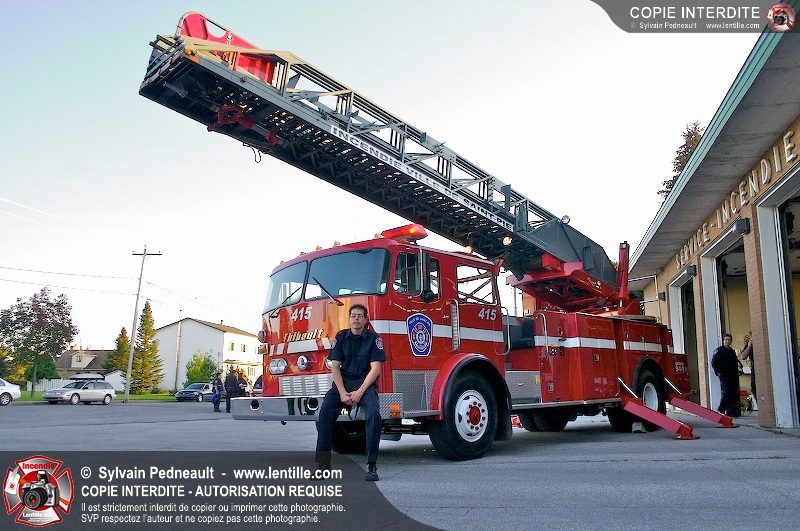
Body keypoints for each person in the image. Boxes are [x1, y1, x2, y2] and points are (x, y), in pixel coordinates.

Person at [315, 304, 386, 481]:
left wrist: (360, 392)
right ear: (349, 319)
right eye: (353, 315)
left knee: (374, 415)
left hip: (365, 385)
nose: (356, 319)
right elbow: (335, 367)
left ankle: (371, 465)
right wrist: (341, 392)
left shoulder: (373, 339)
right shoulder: (341, 338)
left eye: (360, 316)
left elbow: (375, 369)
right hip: (343, 384)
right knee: (324, 414)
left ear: (365, 319)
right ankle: (322, 465)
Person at [711, 333, 740, 417]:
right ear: (723, 341)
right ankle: (721, 409)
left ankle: (730, 412)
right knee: (727, 392)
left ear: (731, 341)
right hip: (724, 375)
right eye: (726, 339)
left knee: (733, 393)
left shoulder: (732, 351)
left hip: (732, 375)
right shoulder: (719, 350)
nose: (727, 341)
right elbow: (714, 363)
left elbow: (735, 363)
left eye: (729, 340)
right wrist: (718, 372)